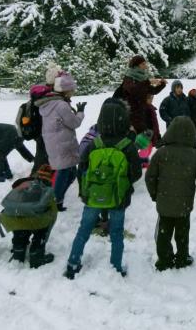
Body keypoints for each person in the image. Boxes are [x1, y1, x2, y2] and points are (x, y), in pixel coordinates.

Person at [64, 98, 142, 279]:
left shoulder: (94, 143)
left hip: (93, 196)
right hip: (118, 197)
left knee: (84, 229)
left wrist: (85, 192)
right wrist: (123, 183)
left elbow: (82, 168)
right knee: (116, 232)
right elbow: (136, 173)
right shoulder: (127, 146)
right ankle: (115, 266)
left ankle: (73, 262)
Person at [145, 116, 196, 271]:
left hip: (164, 202)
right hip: (184, 204)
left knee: (163, 233)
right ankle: (182, 257)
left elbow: (150, 177)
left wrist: (155, 194)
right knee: (182, 233)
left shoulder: (161, 153)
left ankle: (164, 259)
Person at [36, 71, 85, 211]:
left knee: (68, 173)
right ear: (65, 90)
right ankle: (55, 201)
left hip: (54, 143)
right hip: (62, 144)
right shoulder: (61, 105)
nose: (73, 92)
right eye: (71, 89)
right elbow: (74, 123)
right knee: (66, 173)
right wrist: (80, 112)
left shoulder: (49, 103)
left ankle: (57, 199)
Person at [0, 165, 57, 269]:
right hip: (35, 221)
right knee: (41, 230)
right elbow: (52, 213)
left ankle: (18, 253)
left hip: (14, 218)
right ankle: (36, 257)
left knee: (20, 231)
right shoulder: (48, 190)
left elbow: (14, 186)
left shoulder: (26, 182)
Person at [114, 55, 167, 135]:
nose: (146, 66)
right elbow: (133, 90)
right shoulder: (129, 77)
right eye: (143, 64)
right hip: (129, 115)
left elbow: (152, 91)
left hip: (141, 114)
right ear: (136, 65)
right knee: (131, 140)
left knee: (141, 142)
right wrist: (148, 82)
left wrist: (162, 84)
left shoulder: (143, 78)